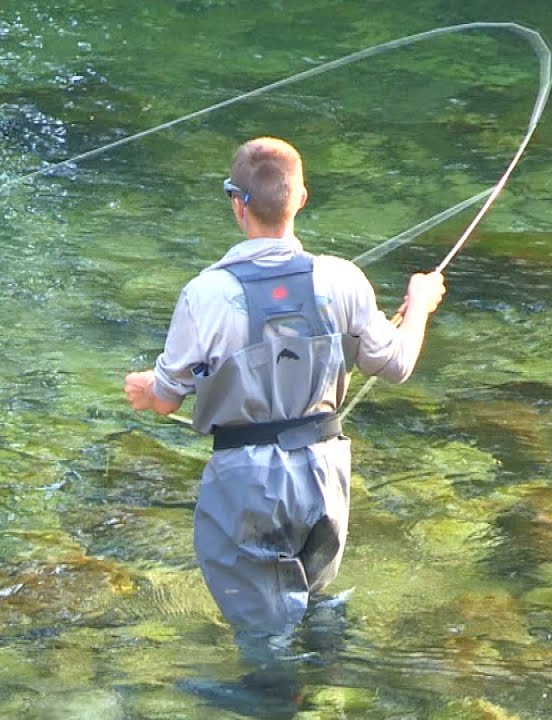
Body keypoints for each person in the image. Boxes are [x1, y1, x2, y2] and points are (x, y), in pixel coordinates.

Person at [123, 136, 446, 658]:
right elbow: (397, 364)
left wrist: (143, 389)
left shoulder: (204, 294)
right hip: (324, 473)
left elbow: (165, 398)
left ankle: (271, 698)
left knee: (262, 632)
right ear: (301, 198)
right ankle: (327, 685)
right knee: (315, 601)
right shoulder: (343, 279)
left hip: (247, 481)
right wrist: (419, 303)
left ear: (237, 202)